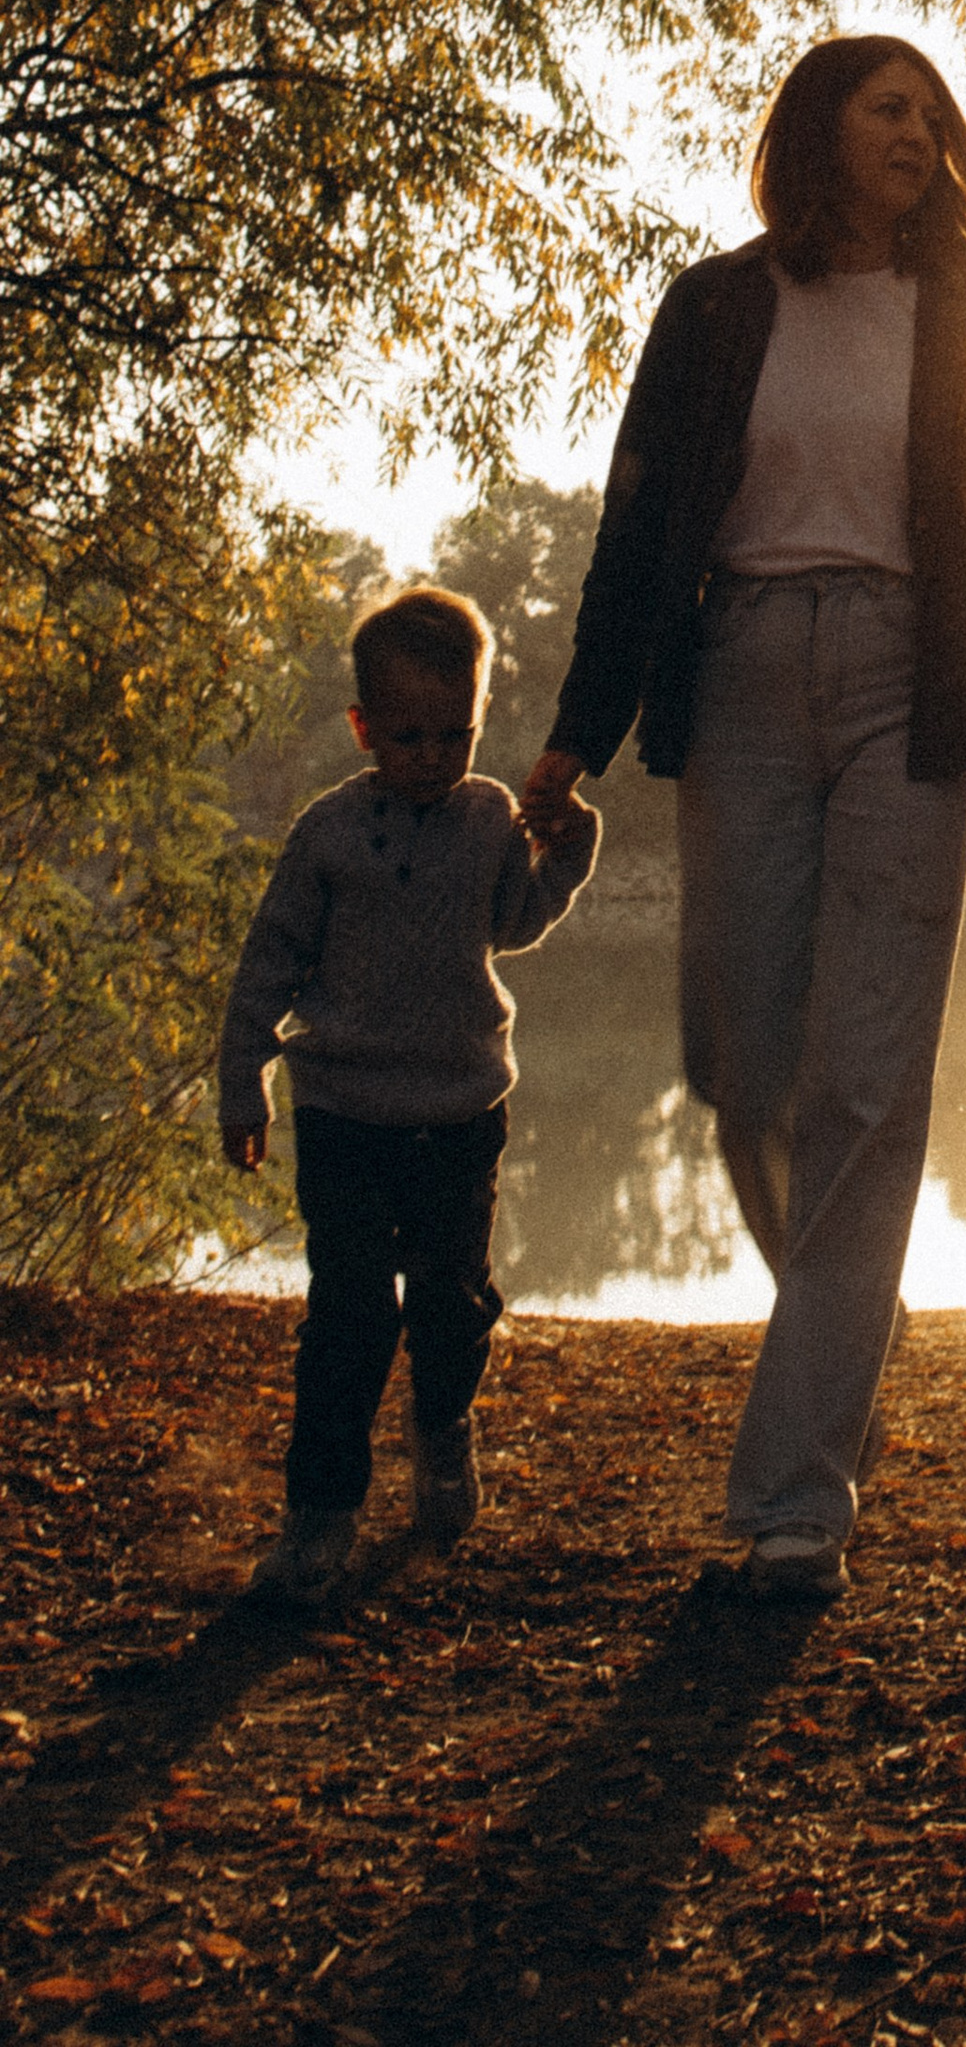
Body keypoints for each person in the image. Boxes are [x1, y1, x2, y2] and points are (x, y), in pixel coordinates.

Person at [519, 33, 966, 1595]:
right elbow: (633, 533)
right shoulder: (715, 307)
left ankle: (798, 1493)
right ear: (817, 130)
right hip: (741, 675)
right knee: (741, 1059)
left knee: (870, 1086)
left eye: (932, 112)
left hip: (906, 685)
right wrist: (575, 730)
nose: (918, 131)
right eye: (888, 107)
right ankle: (851, 1314)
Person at [219, 583, 599, 1602]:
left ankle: (443, 1425)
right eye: (408, 734)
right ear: (363, 729)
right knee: (347, 1314)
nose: (432, 754)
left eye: (454, 732)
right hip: (343, 1114)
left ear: (477, 717)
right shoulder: (328, 836)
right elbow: (269, 964)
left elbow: (512, 922)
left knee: (451, 1302)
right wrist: (242, 1081)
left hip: (459, 1112)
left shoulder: (486, 820)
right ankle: (320, 1516)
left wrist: (568, 856)